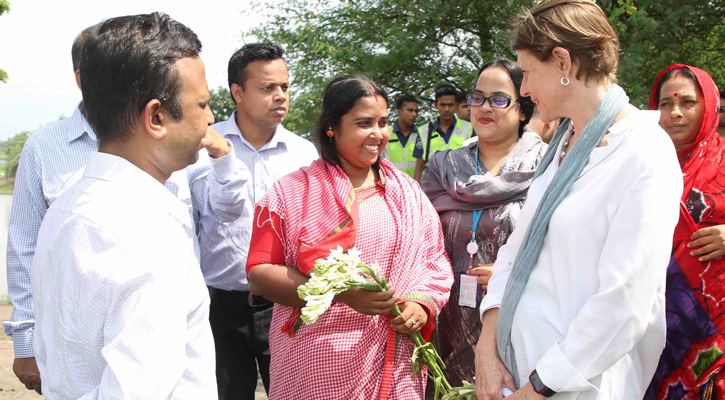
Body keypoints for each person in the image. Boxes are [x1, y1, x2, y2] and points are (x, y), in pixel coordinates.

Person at [3, 22, 239, 394]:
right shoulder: (147, 233)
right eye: (203, 104)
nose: (210, 119)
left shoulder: (70, 206)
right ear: (157, 117)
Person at [473, 1, 683, 399]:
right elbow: (516, 250)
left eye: (529, 72)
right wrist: (488, 342)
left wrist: (541, 385)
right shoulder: (563, 146)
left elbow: (625, 303)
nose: (526, 89)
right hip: (521, 374)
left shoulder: (643, 151)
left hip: (576, 388)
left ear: (563, 62)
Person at [245, 75, 453, 399]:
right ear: (332, 127)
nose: (378, 134)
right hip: (313, 366)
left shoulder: (409, 193)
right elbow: (259, 273)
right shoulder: (290, 192)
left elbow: (434, 261)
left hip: (394, 365)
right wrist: (339, 294)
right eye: (363, 123)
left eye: (383, 122)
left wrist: (420, 305)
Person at [185, 42, 318, 400]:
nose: (280, 97)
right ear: (237, 92)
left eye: (285, 87)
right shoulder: (204, 147)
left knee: (292, 394)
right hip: (220, 308)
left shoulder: (304, 154)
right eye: (267, 88)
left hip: (287, 306)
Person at [420, 58, 546, 394]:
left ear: (523, 109)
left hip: (516, 318)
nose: (484, 107)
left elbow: (563, 246)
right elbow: (417, 239)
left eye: (499, 99)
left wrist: (512, 273)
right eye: (477, 97)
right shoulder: (443, 167)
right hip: (449, 318)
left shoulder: (548, 166)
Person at [645, 64, 725, 400]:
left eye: (688, 103)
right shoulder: (642, 163)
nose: (675, 113)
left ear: (709, 105)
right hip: (651, 323)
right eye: (665, 104)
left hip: (716, 325)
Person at [415, 84, 474, 180]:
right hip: (433, 188)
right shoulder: (424, 131)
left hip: (462, 187)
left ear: (456, 105)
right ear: (436, 105)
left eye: (450, 105)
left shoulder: (469, 128)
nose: (446, 109)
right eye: (443, 105)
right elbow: (419, 167)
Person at [382, 94, 423, 177]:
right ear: (399, 112)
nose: (414, 114)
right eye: (410, 110)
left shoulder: (422, 135)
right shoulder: (386, 134)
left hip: (416, 186)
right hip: (392, 185)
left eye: (416, 111)